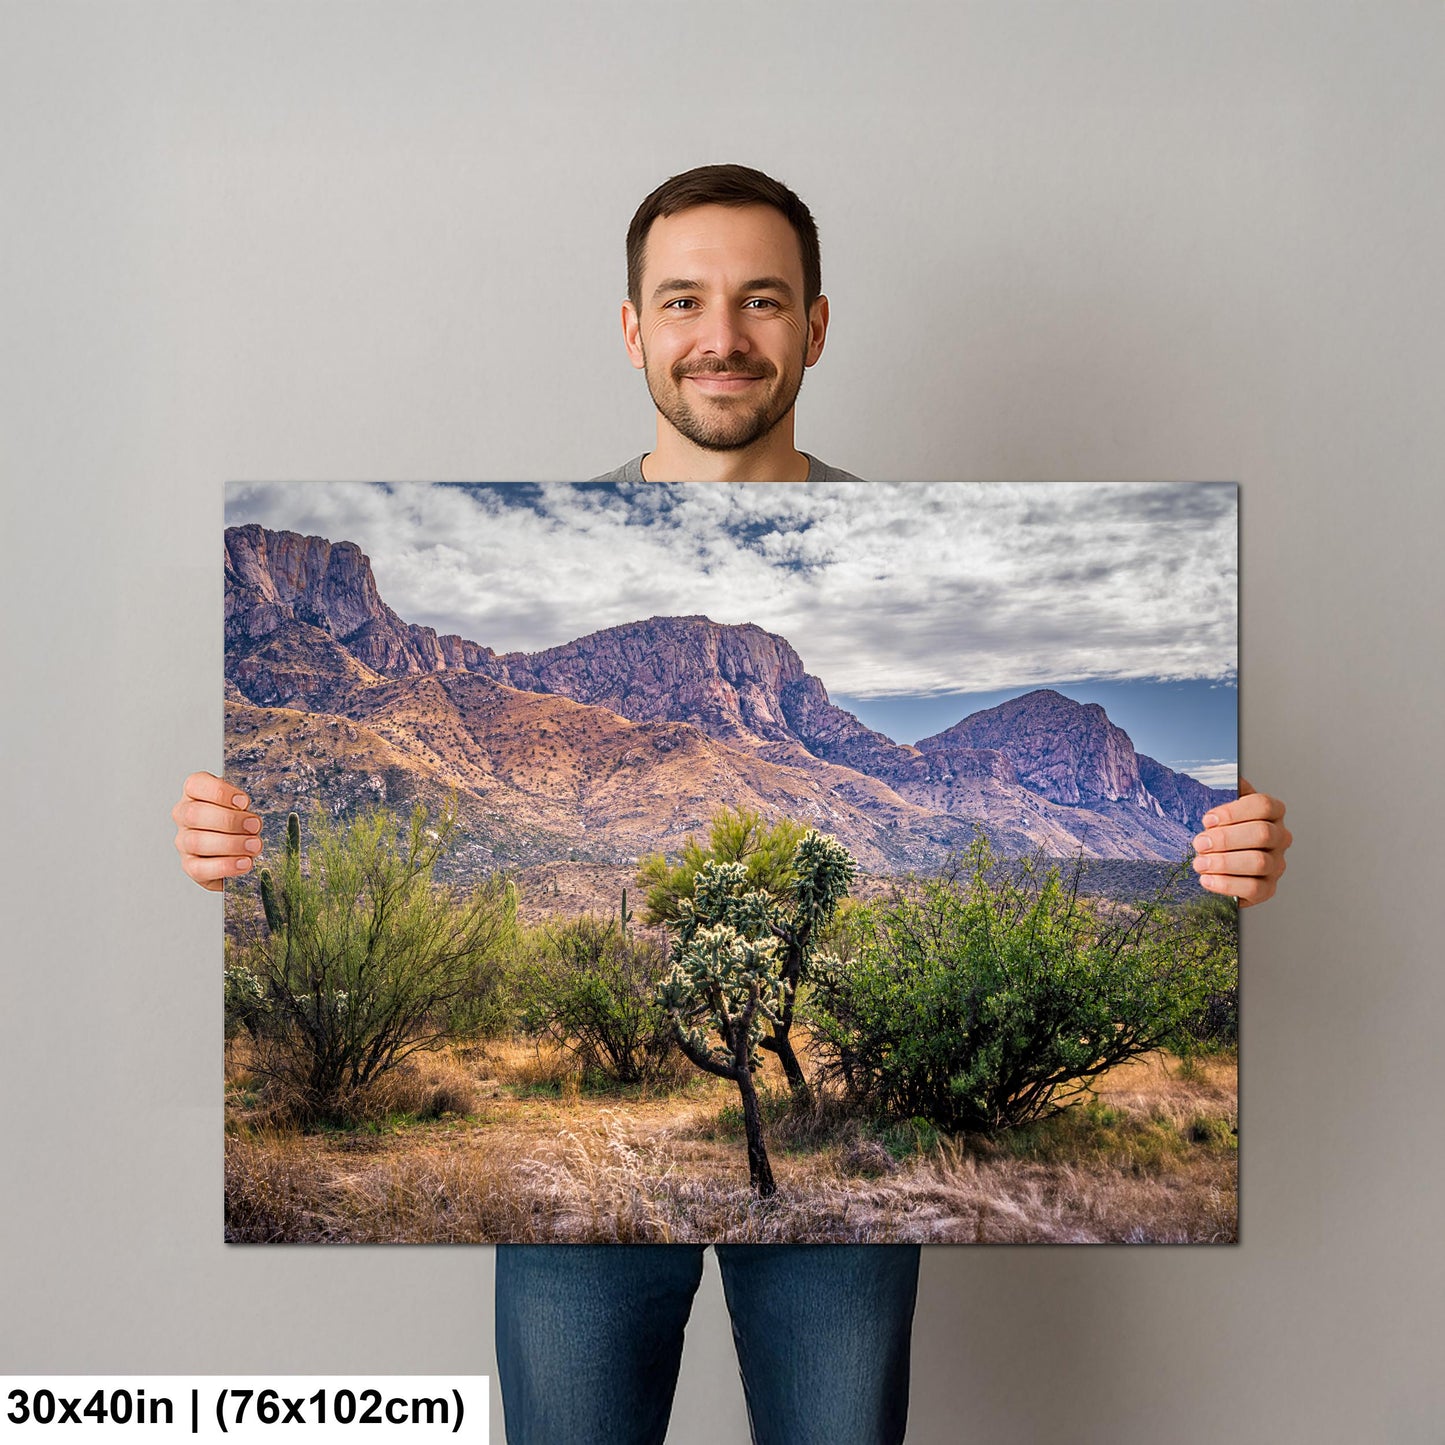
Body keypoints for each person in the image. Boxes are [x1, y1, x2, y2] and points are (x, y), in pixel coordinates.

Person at [174, 164, 1292, 1444]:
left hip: (819, 1165)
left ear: (814, 326)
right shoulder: (545, 546)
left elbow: (1198, 846)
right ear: (632, 326)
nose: (721, 337)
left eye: (761, 301)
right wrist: (237, 839)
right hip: (590, 1221)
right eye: (684, 300)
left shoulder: (905, 537)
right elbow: (269, 839)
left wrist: (1221, 847)